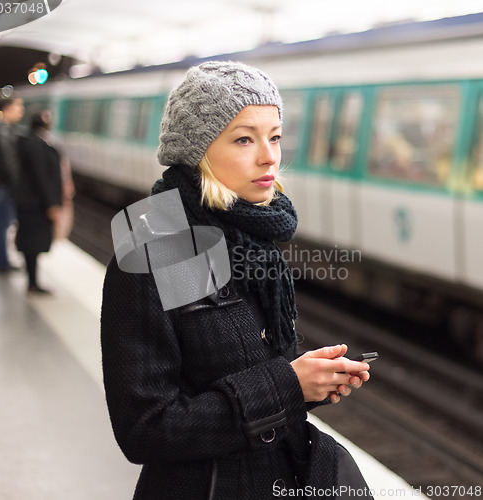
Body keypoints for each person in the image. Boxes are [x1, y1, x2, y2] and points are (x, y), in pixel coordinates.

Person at [101, 61, 373, 500]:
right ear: (199, 149)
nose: (269, 156)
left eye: (275, 136)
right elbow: (146, 428)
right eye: (245, 138)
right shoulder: (162, 245)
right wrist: (288, 384)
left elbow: (238, 365)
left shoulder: (252, 236)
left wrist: (311, 380)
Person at [15, 110, 63, 293]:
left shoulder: (31, 142)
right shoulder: (35, 145)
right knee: (32, 244)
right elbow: (41, 177)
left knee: (31, 243)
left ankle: (32, 281)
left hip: (30, 203)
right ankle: (33, 283)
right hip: (34, 205)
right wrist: (51, 204)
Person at [0, 96, 24, 273]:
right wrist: (19, 185)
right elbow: (9, 163)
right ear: (8, 108)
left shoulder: (1, 129)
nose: (21, 111)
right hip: (6, 184)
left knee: (3, 223)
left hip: (1, 182)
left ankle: (3, 260)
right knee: (2, 224)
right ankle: (2, 263)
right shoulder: (3, 131)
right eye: (18, 107)